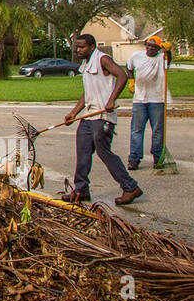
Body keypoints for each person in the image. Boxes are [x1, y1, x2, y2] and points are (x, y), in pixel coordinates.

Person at [61, 33, 143, 206]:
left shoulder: (102, 59)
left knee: (104, 152)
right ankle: (81, 190)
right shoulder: (85, 64)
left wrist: (111, 99)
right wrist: (74, 112)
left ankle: (130, 187)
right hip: (89, 116)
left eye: (82, 47)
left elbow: (122, 75)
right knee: (82, 151)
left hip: (103, 116)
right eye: (77, 47)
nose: (79, 50)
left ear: (92, 46)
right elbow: (88, 92)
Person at [126, 35, 168, 170]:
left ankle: (158, 157)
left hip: (157, 99)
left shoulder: (162, 58)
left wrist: (169, 51)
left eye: (154, 47)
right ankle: (134, 158)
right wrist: (131, 80)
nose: (150, 48)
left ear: (158, 48)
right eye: (148, 45)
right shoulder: (136, 56)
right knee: (136, 130)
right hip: (139, 99)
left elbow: (169, 60)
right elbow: (129, 68)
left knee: (157, 130)